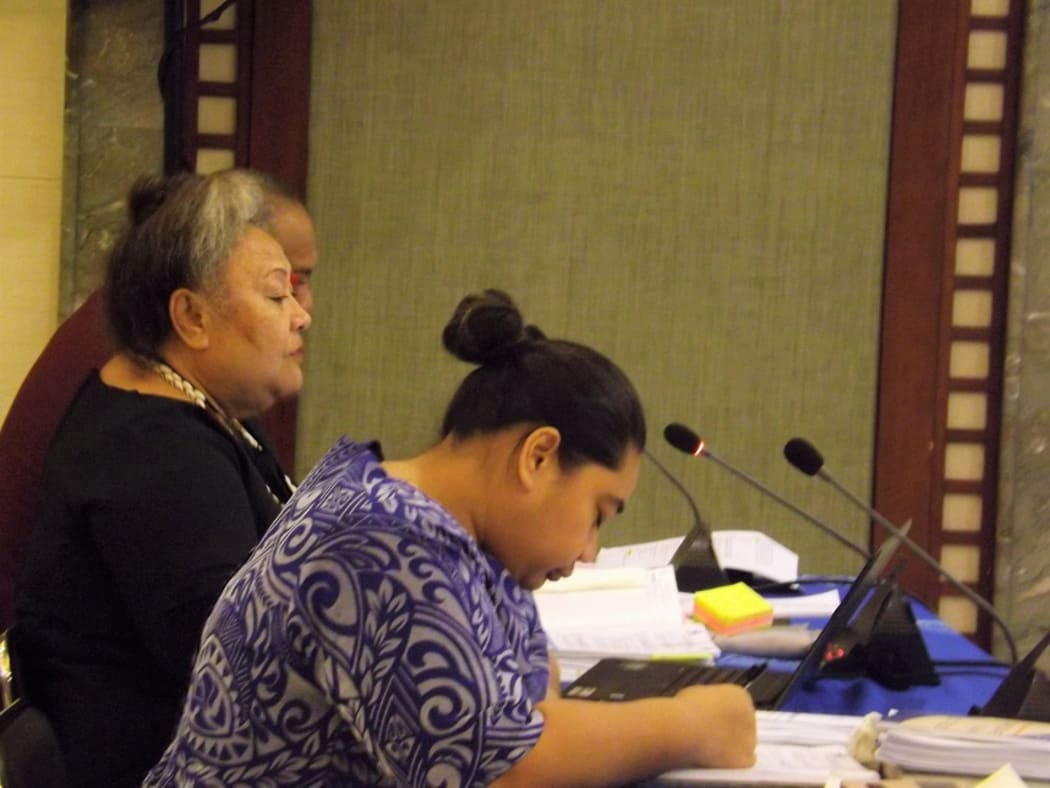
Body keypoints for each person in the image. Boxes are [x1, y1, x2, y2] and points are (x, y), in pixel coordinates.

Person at [147, 289, 757, 786]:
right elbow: (499, 767)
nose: (588, 551)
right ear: (538, 457)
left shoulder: (452, 534)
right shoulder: (381, 537)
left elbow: (528, 697)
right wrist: (690, 725)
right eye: (598, 513)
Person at [13, 169, 312, 787]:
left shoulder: (205, 408)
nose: (302, 316)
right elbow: (248, 671)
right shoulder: (155, 456)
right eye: (280, 294)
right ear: (192, 317)